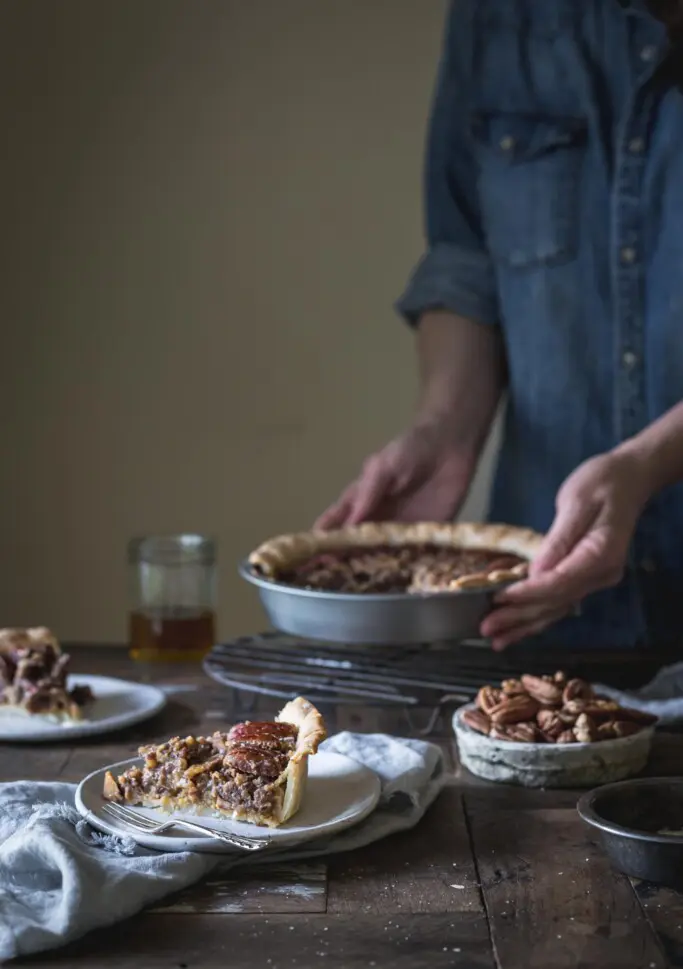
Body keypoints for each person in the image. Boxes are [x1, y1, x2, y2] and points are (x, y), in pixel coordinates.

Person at [317, 0, 683, 651]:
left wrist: (647, 462)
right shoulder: (496, 15)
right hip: (543, 607)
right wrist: (444, 428)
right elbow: (468, 253)